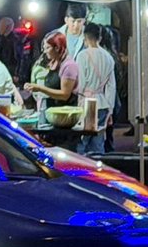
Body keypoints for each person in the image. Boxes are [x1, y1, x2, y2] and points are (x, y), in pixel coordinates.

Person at [75, 23, 116, 155]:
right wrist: (110, 109)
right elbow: (111, 87)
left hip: (87, 103)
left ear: (85, 38)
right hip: (103, 103)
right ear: (100, 38)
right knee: (98, 143)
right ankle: (98, 165)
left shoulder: (82, 56)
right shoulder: (108, 57)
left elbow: (81, 83)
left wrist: (79, 100)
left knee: (82, 141)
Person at [25, 31, 79, 109]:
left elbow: (65, 95)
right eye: (44, 48)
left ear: (57, 48)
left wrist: (40, 88)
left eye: (47, 48)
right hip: (51, 110)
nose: (44, 51)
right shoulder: (53, 62)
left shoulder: (69, 66)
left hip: (65, 112)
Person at [0, 17, 21, 82]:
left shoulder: (15, 41)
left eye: (0, 26)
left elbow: (19, 58)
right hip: (2, 70)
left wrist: (16, 74)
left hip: (11, 72)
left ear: (7, 27)